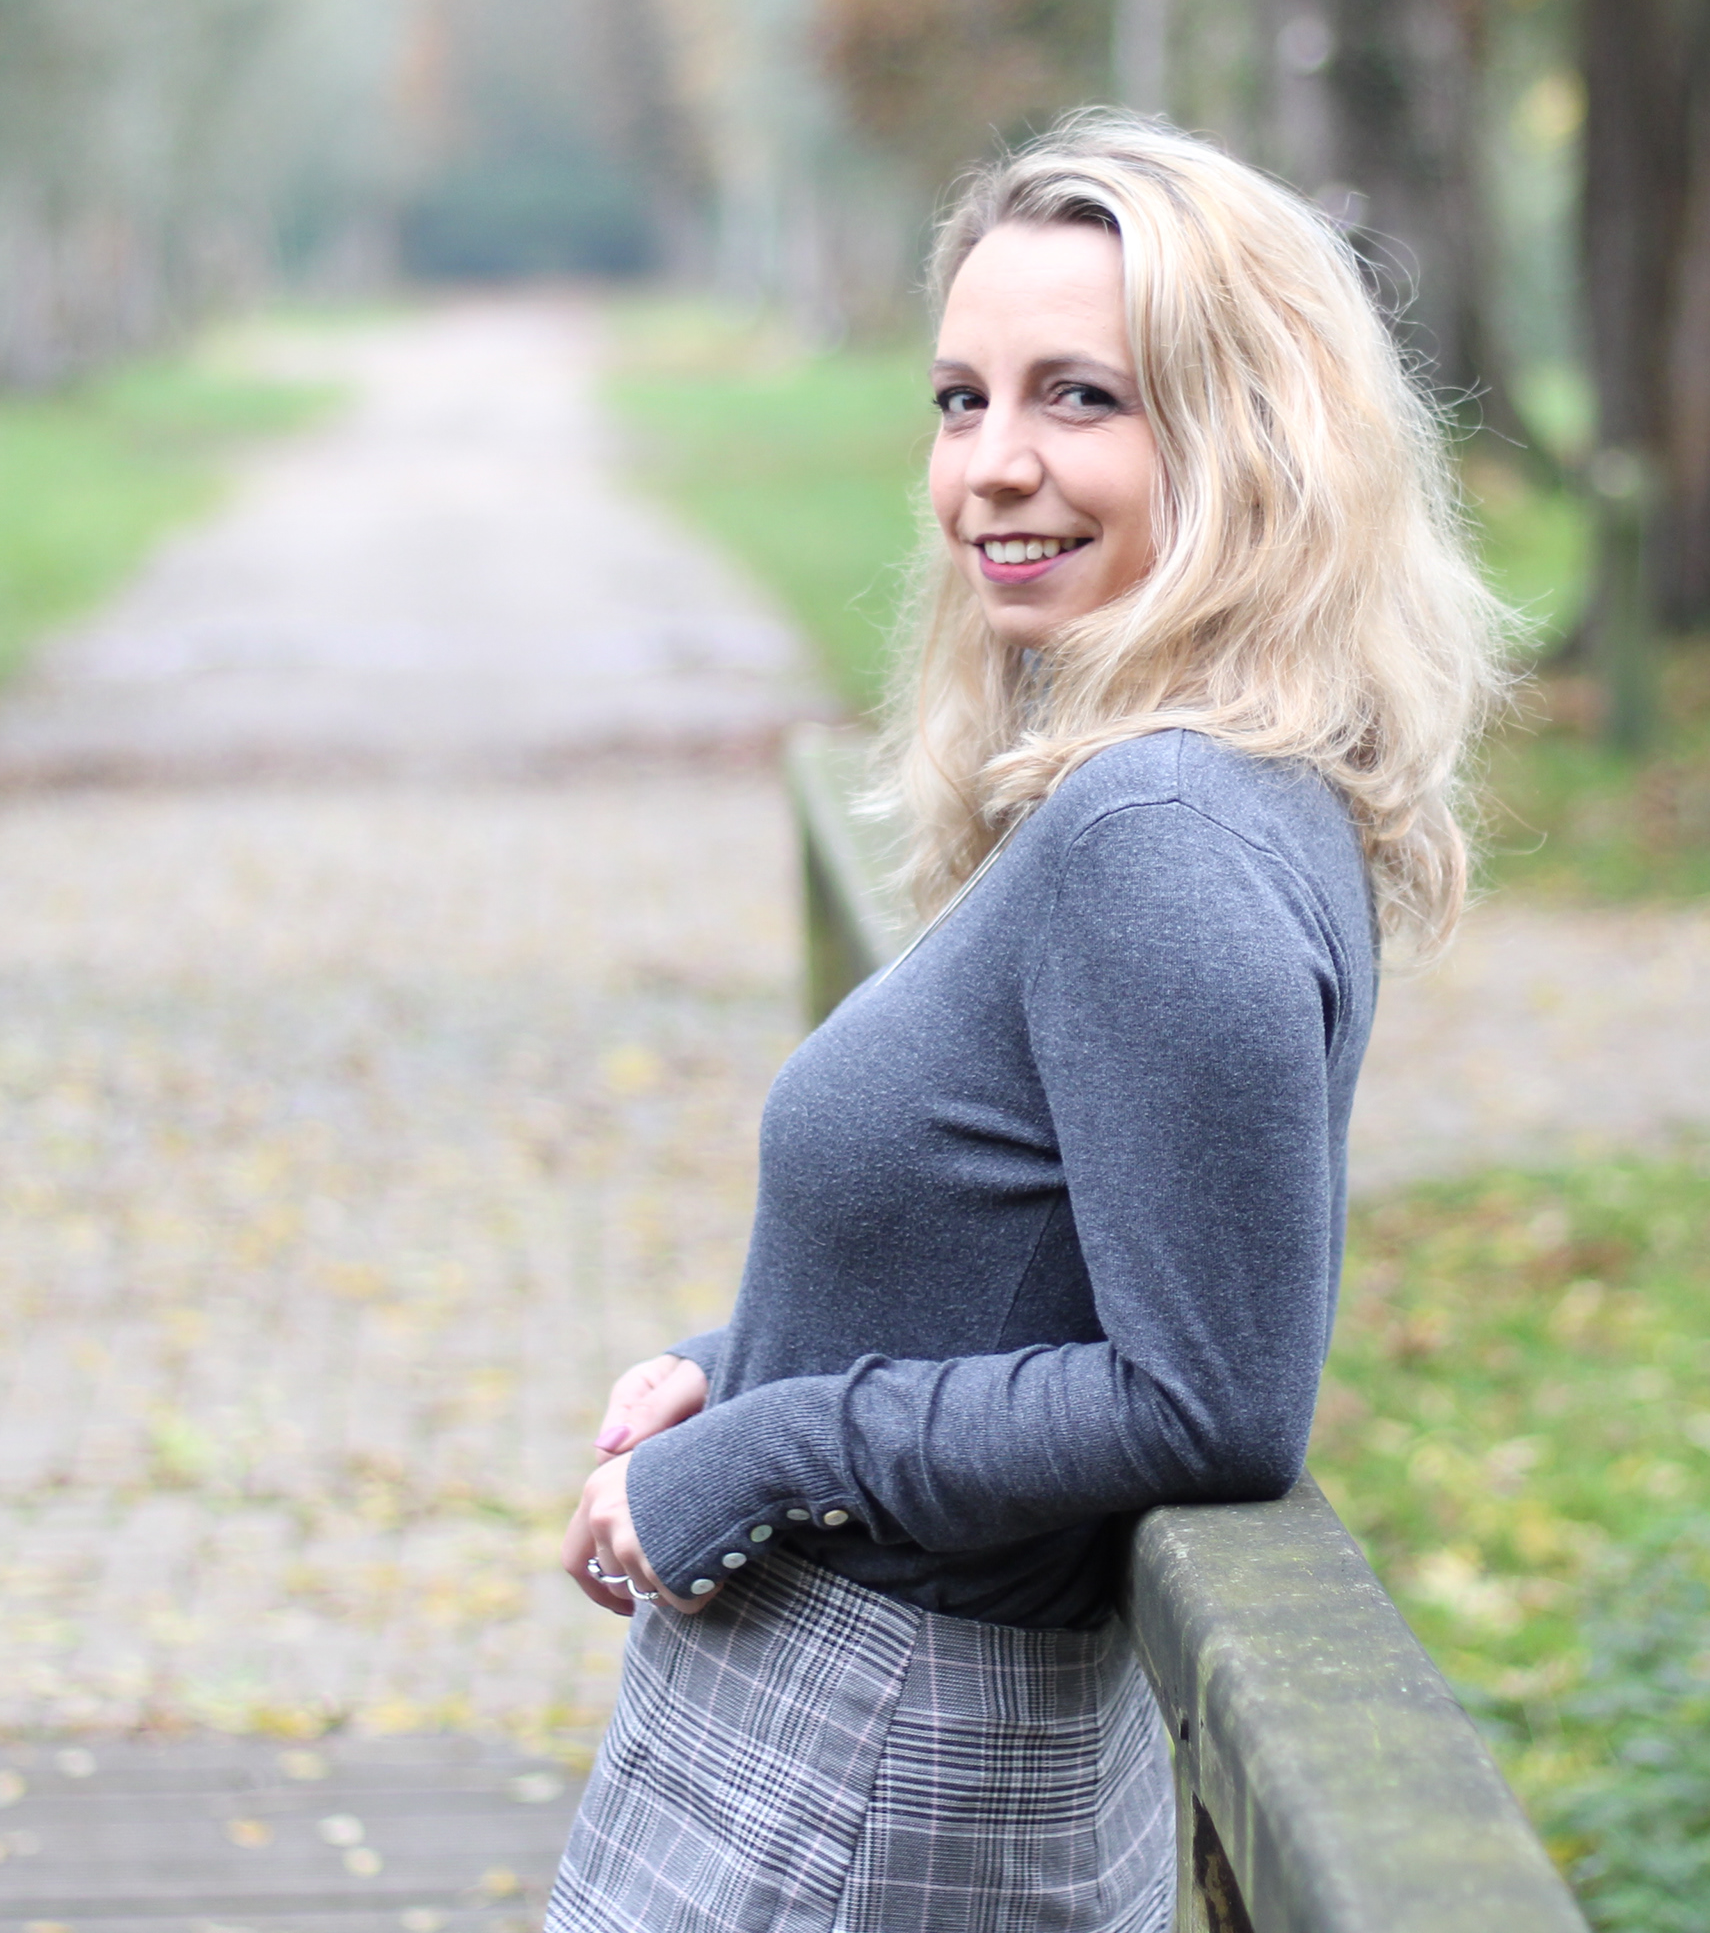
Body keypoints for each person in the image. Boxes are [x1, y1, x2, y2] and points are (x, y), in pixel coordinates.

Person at [545, 111, 1510, 1932]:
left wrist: (772, 1450)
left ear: (1254, 433)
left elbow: (1208, 1401)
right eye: (960, 400)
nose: (993, 466)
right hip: (854, 1724)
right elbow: (1031, 1246)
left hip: (877, 1758)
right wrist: (744, 1362)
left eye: (1081, 398)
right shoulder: (1196, 792)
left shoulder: (1163, 833)